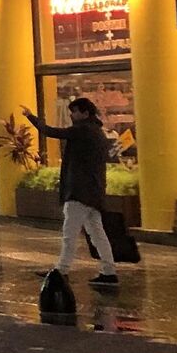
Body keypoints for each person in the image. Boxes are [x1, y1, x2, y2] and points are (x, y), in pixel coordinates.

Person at [25, 96, 121, 288]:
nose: (71, 114)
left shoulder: (83, 130)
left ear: (85, 113)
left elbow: (51, 131)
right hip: (92, 192)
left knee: (70, 234)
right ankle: (109, 271)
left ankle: (61, 271)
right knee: (97, 233)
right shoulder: (97, 131)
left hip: (79, 191)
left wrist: (31, 117)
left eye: (75, 111)